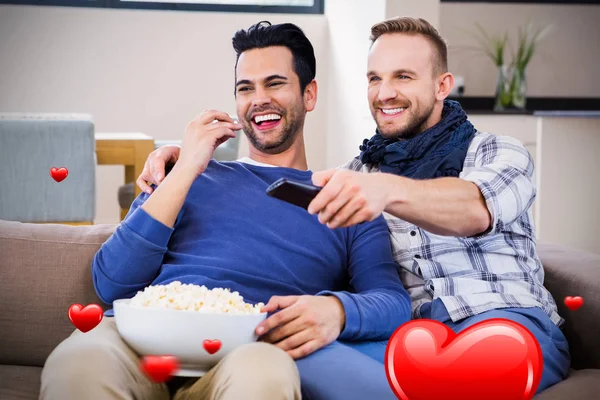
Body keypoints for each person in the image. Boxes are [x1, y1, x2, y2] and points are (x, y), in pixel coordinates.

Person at [141, 17, 571, 394]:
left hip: (504, 321)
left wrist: (386, 191)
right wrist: (185, 164)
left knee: (487, 358)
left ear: (442, 85)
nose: (385, 93)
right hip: (408, 339)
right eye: (374, 78)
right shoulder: (351, 175)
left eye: (403, 76)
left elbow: (475, 210)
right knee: (292, 355)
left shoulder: (498, 152)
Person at [40, 21, 410, 400]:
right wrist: (185, 171)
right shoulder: (184, 174)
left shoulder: (345, 198)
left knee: (265, 377)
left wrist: (337, 311)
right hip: (139, 340)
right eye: (245, 88)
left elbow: (393, 303)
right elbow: (112, 282)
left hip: (249, 350)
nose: (258, 99)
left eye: (275, 83)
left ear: (309, 94)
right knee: (78, 363)